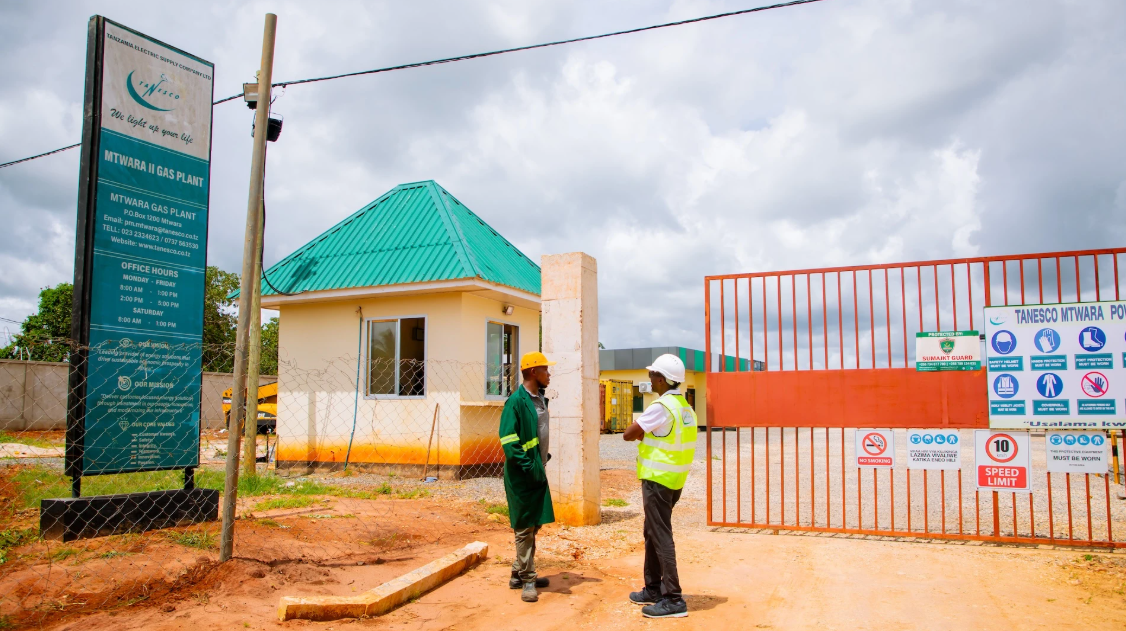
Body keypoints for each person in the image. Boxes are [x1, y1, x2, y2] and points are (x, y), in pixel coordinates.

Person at [622, 353, 696, 619]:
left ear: (663, 379)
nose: (650, 379)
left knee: (660, 535)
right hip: (674, 481)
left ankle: (673, 599)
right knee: (652, 532)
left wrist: (641, 431)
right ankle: (653, 588)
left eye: (653, 375)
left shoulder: (661, 407)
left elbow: (628, 434)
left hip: (657, 479)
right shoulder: (685, 407)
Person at [498, 351, 557, 603]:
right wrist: (528, 465)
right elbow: (509, 441)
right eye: (546, 369)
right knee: (524, 528)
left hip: (537, 470)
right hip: (522, 474)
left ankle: (517, 571)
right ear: (533, 372)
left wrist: (541, 459)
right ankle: (528, 580)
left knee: (536, 523)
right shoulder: (516, 402)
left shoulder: (540, 399)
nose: (549, 373)